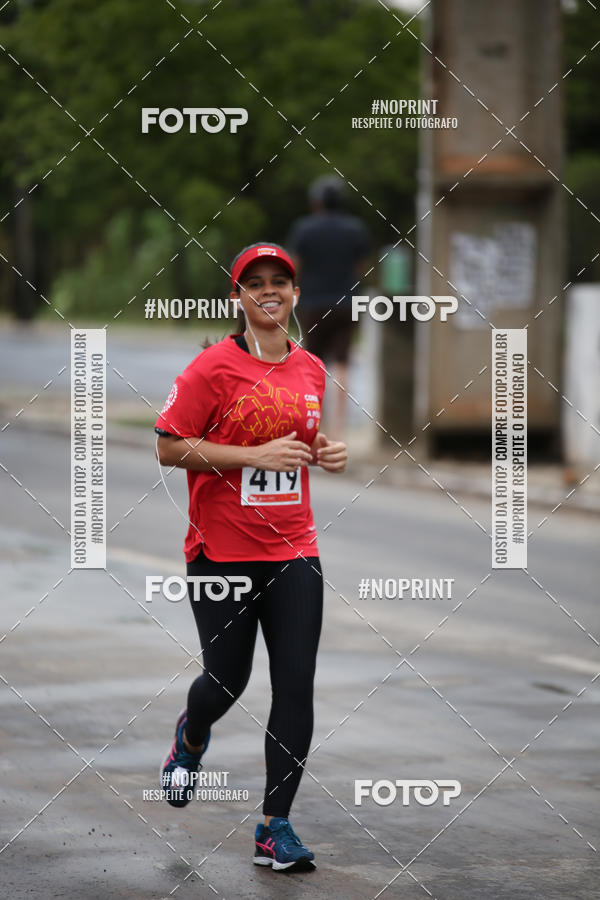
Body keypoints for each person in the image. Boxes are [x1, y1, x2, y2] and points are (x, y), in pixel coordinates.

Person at [154, 242, 347, 873]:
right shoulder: (211, 368)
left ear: (295, 293)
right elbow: (168, 446)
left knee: (295, 685)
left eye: (279, 281)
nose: (269, 290)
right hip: (221, 553)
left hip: (295, 549)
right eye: (254, 282)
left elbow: (297, 440)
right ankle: (191, 736)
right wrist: (250, 458)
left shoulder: (311, 368)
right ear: (238, 296)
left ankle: (274, 827)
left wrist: (323, 452)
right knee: (226, 681)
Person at [288, 175, 370, 439]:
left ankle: (316, 424)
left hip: (313, 303)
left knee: (315, 364)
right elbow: (361, 268)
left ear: (316, 202)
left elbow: (295, 267)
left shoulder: (304, 229)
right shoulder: (355, 229)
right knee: (343, 362)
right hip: (347, 304)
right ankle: (339, 428)